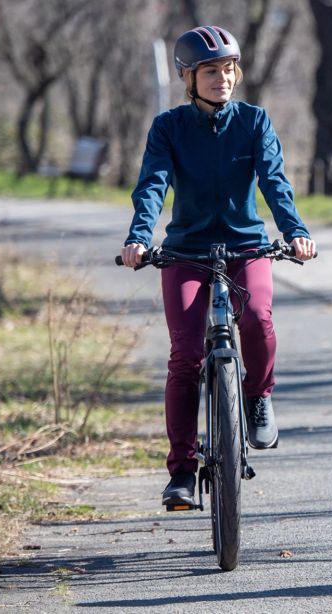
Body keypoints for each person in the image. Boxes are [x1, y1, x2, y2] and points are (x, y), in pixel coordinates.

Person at [120, 25, 316, 507]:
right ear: (188, 77)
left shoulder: (254, 122)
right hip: (185, 251)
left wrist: (294, 231)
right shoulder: (169, 127)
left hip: (246, 246)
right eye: (210, 71)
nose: (222, 78)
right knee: (185, 353)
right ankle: (182, 471)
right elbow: (152, 185)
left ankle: (257, 395)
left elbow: (274, 182)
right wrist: (139, 239)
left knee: (257, 319)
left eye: (228, 69)